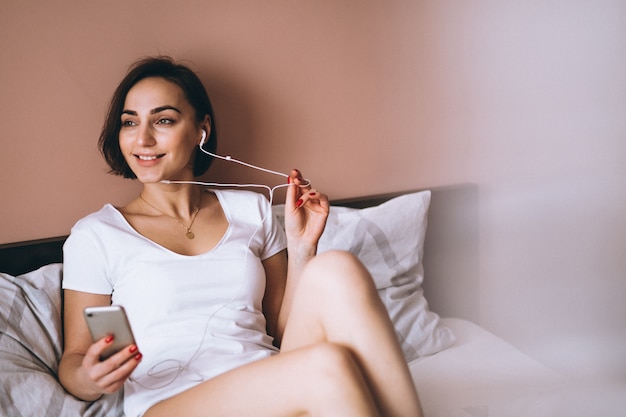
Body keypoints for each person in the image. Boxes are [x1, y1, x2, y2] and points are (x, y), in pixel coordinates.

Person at [59, 56, 423, 417]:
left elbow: (283, 332)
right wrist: (91, 377)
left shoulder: (253, 210)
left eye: (163, 120)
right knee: (327, 365)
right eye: (129, 122)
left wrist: (300, 247)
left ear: (201, 130)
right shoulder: (97, 235)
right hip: (170, 405)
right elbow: (73, 362)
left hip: (270, 389)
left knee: (337, 266)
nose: (143, 139)